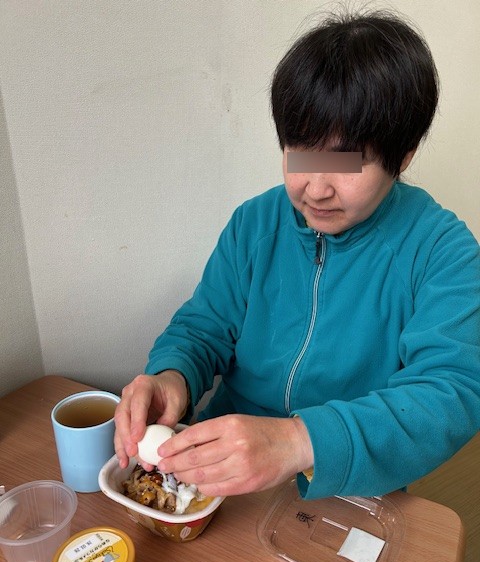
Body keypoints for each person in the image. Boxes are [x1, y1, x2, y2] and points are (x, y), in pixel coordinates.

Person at [114, 9, 480, 501]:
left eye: (347, 162)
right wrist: (171, 376)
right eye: (301, 152)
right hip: (218, 474)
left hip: (349, 482)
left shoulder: (443, 252)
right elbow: (203, 327)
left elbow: (451, 392)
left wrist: (298, 441)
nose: (316, 188)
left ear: (404, 154)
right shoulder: (254, 224)